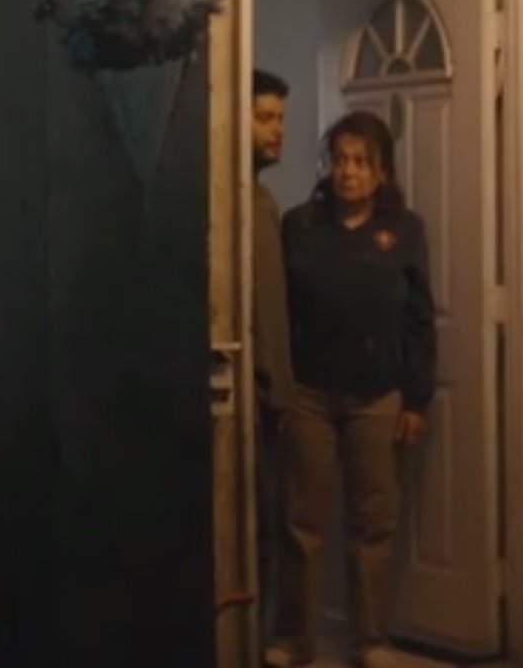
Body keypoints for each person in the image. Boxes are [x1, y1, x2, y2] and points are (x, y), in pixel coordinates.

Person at [265, 111, 436, 668]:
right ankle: (294, 639)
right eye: (339, 159)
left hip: (377, 397)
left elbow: (419, 320)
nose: (348, 171)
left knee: (372, 524)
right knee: (302, 523)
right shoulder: (299, 226)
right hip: (309, 395)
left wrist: (417, 398)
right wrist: (278, 388)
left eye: (361, 161)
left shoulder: (405, 231)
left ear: (381, 170)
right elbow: (277, 309)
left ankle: (370, 641)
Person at [251, 69, 297, 636]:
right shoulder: (242, 202)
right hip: (254, 397)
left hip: (268, 395)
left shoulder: (263, 200)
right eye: (264, 118)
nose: (277, 130)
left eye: (281, 119)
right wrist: (273, 386)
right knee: (255, 527)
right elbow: (260, 310)